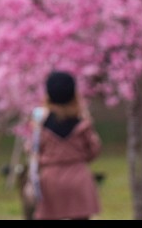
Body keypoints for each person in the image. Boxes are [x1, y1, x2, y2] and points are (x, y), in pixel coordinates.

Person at [31, 70, 102, 221]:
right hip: (78, 177)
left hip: (50, 179)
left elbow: (34, 149)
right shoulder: (82, 122)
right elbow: (94, 150)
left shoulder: (41, 124)